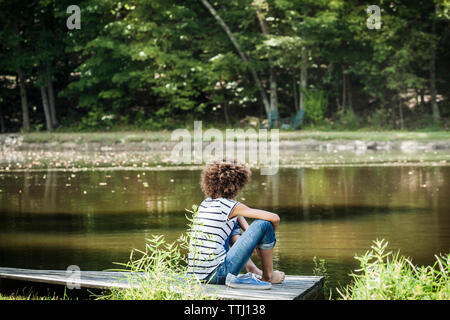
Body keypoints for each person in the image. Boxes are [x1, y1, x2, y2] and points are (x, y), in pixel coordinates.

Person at [187, 159, 285, 288]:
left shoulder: (206, 204)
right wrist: (266, 243)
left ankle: (252, 269)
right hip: (218, 274)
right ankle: (268, 276)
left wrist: (254, 240)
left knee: (233, 223)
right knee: (264, 224)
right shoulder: (230, 206)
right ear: (236, 184)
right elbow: (274, 218)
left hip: (196, 276)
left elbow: (237, 217)